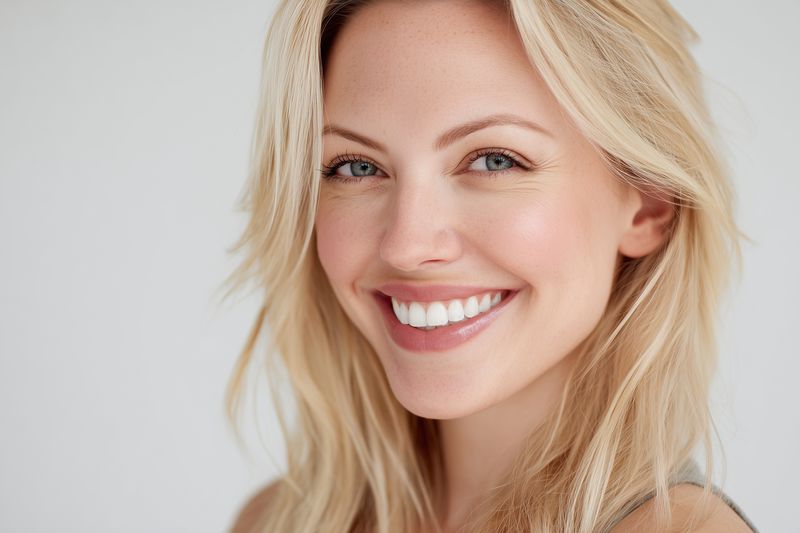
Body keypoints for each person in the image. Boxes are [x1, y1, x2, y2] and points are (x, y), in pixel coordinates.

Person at [223, 0, 757, 531]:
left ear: (647, 201)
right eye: (356, 167)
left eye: (494, 160)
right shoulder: (275, 521)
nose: (407, 245)